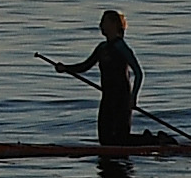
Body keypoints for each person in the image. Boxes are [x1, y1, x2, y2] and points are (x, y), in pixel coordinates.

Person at [59, 10, 142, 149]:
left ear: (114, 25)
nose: (100, 25)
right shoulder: (102, 48)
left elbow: (139, 73)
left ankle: (155, 141)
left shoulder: (121, 47)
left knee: (120, 139)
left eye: (104, 22)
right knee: (105, 138)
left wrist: (133, 98)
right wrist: (65, 68)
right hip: (107, 97)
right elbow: (85, 66)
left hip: (121, 98)